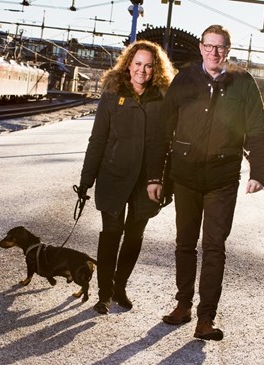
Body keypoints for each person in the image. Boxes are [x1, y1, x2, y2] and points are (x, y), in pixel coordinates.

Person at [146, 25, 264, 340]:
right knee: (185, 244)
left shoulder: (243, 83)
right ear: (201, 48)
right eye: (209, 46)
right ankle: (183, 305)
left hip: (222, 178)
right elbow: (164, 130)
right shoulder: (185, 80)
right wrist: (155, 175)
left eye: (221, 47)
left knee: (214, 247)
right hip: (185, 177)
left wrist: (258, 171)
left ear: (228, 50)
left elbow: (257, 129)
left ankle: (205, 319)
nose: (215, 53)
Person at [78, 40, 176, 315]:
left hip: (148, 179)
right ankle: (104, 293)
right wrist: (86, 179)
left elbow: (166, 143)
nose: (142, 71)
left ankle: (120, 286)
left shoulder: (163, 98)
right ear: (128, 65)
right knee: (111, 234)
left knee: (135, 235)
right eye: (137, 64)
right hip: (114, 175)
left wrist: (164, 183)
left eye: (148, 66)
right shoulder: (112, 94)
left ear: (155, 69)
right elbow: (98, 138)